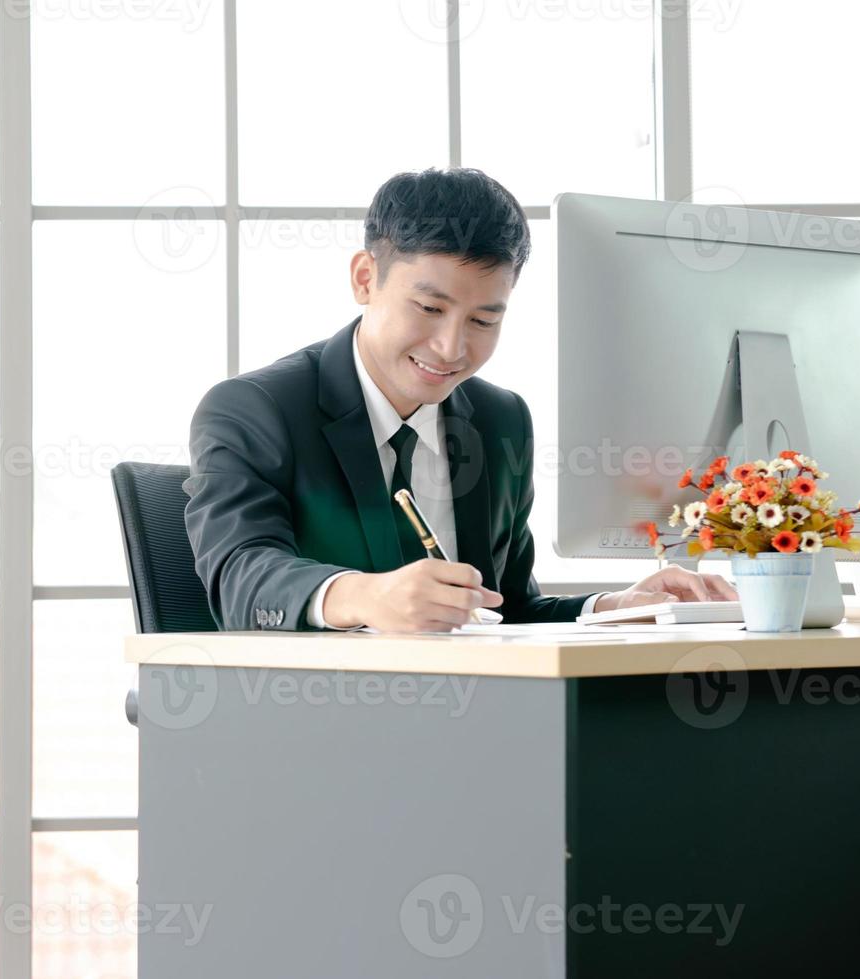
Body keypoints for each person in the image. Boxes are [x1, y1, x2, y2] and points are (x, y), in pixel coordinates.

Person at [183, 167, 736, 632]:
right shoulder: (253, 410)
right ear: (364, 278)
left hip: (476, 718)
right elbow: (240, 575)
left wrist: (611, 610)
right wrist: (365, 597)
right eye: (428, 309)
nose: (452, 348)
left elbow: (505, 612)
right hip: (318, 719)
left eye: (483, 319)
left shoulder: (500, 420)